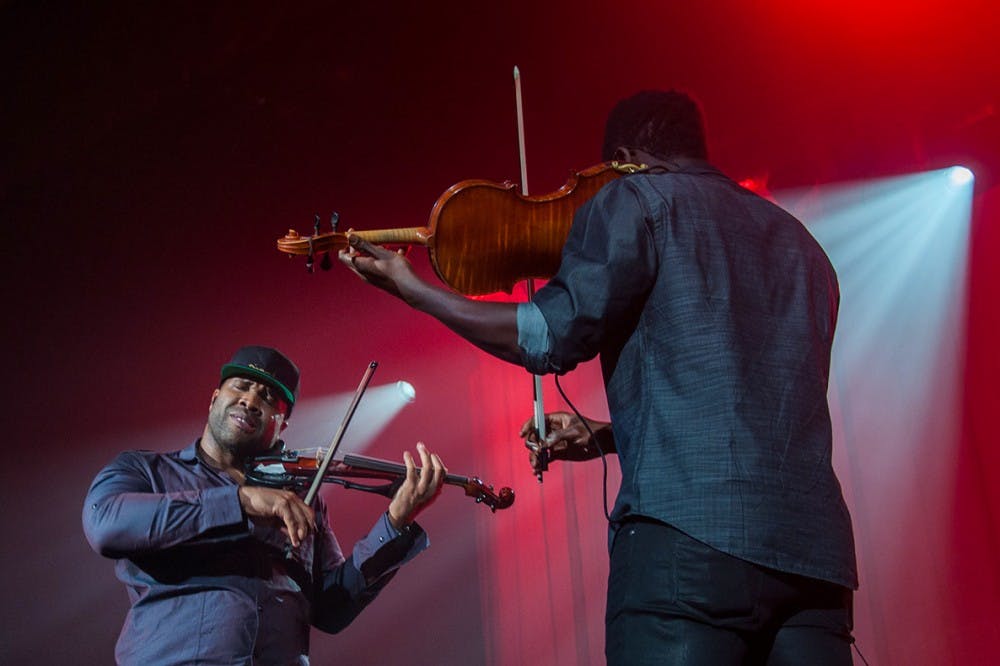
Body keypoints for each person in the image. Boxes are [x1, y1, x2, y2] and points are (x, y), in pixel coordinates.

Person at [339, 90, 858, 665]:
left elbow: (546, 335)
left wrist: (416, 291)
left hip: (686, 551)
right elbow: (757, 407)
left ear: (627, 156)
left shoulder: (636, 198)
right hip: (815, 564)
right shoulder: (803, 246)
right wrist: (608, 434)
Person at [83, 345, 446, 665]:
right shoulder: (146, 471)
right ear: (214, 400)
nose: (252, 401)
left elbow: (332, 608)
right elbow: (107, 525)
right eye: (241, 386)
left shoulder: (302, 498)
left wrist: (395, 524)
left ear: (282, 425)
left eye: (269, 398)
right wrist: (239, 501)